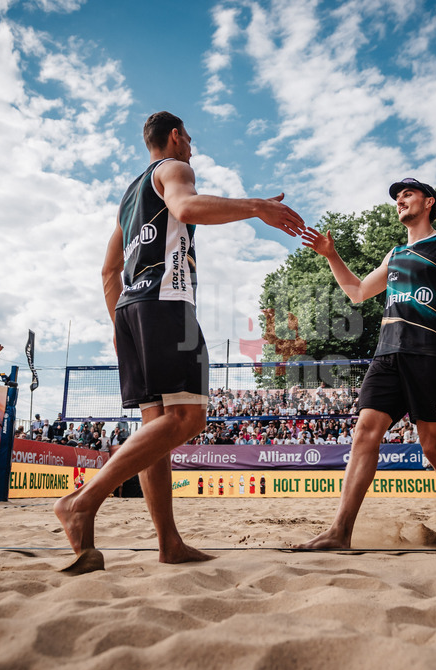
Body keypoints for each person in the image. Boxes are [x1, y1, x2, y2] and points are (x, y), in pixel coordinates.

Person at [53, 110, 306, 573]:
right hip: (164, 303)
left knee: (157, 431)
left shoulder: (128, 199)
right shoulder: (174, 170)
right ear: (174, 136)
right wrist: (256, 206)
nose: (191, 145)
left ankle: (168, 542)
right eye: (188, 136)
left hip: (130, 309)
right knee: (189, 418)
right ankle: (83, 501)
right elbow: (187, 209)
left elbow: (109, 271)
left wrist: (119, 324)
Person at [297, 177, 436, 549]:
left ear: (429, 202)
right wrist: (331, 255)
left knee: (434, 447)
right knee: (364, 433)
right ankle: (341, 531)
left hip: (429, 355)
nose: (400, 200)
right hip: (387, 355)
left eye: (408, 194)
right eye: (397, 196)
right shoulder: (394, 255)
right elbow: (356, 292)